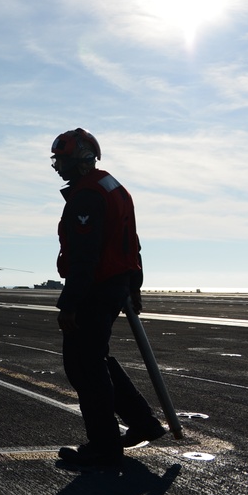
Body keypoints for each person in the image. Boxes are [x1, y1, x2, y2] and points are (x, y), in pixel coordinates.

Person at [50, 128, 165, 467]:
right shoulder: (114, 188)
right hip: (116, 284)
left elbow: (86, 256)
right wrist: (134, 285)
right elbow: (132, 240)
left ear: (83, 159)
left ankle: (103, 446)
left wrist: (69, 303)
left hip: (96, 288)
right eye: (57, 161)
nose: (59, 167)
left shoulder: (87, 196)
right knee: (94, 358)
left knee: (83, 365)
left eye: (64, 160)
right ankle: (142, 422)